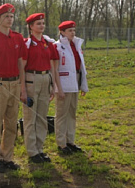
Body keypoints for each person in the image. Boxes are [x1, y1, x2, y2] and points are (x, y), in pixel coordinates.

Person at [0, 3, 28, 173]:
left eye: (11, 17)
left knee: (11, 123)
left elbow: (20, 65)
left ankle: (8, 157)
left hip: (14, 84)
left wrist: (23, 88)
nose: (10, 20)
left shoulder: (17, 38)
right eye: (6, 17)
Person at [23, 13, 61, 164]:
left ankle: (40, 148)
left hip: (46, 78)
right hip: (31, 79)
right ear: (31, 27)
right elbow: (22, 65)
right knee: (30, 117)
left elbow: (51, 64)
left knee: (42, 116)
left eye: (43, 23)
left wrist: (53, 84)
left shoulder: (47, 43)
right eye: (38, 23)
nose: (41, 26)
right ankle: (32, 151)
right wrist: (23, 88)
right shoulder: (27, 44)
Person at [54, 21, 88, 155]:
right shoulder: (58, 47)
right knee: (62, 114)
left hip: (75, 81)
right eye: (69, 30)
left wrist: (83, 85)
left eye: (73, 30)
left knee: (72, 113)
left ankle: (70, 141)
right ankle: (61, 143)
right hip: (64, 83)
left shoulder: (76, 45)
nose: (72, 33)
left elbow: (81, 66)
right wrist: (59, 88)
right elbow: (55, 69)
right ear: (62, 32)